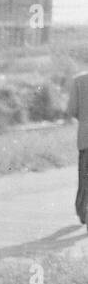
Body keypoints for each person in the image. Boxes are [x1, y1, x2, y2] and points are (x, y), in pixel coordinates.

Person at [66, 67, 88, 226]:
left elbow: (72, 110)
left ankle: (83, 210)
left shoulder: (79, 80)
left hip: (86, 137)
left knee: (85, 176)